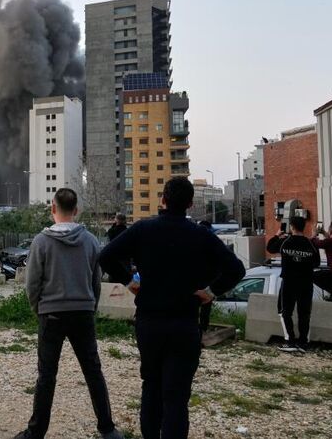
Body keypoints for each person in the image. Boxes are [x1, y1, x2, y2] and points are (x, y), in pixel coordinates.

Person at [100, 177, 244, 439]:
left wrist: (130, 281)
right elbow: (236, 269)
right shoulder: (201, 235)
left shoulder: (143, 229)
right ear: (190, 204)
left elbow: (106, 255)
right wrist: (210, 292)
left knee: (151, 387)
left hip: (149, 324)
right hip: (185, 324)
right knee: (176, 398)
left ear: (162, 200)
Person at [14, 188, 124, 439]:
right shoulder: (90, 241)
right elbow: (96, 280)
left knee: (46, 376)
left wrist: (38, 309)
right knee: (93, 372)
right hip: (83, 312)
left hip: (51, 315)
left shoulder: (41, 241)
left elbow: (32, 283)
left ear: (53, 209)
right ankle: (107, 429)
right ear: (76, 211)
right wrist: (90, 305)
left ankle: (35, 432)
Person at [266, 217, 321, 353]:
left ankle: (290, 341)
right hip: (306, 282)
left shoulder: (285, 241)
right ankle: (303, 343)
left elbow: (270, 248)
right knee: (304, 313)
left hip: (289, 282)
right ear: (304, 227)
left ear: (291, 227)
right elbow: (317, 262)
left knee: (285, 311)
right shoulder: (310, 244)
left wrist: (277, 234)